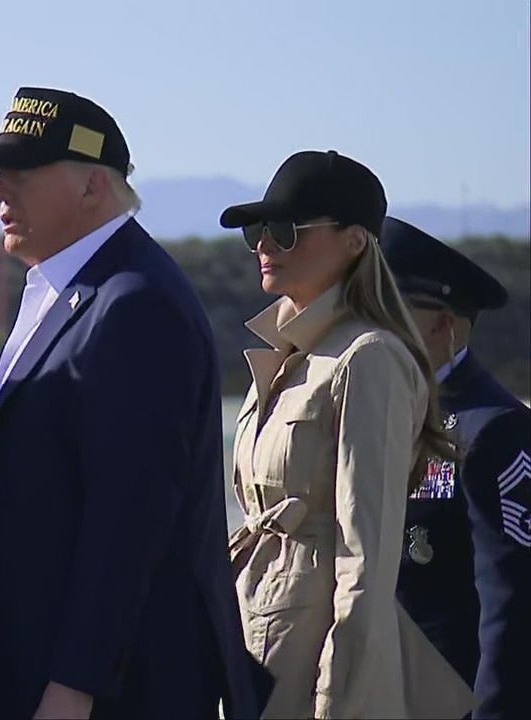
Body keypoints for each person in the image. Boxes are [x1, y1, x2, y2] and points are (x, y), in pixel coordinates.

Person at [0, 86, 265, 720]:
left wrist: (74, 685)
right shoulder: (69, 290)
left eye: (20, 172)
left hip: (117, 689)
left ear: (94, 186)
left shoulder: (134, 303)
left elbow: (131, 515)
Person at [220, 150, 475, 719]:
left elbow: (367, 557)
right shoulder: (287, 355)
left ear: (355, 241)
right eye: (257, 231)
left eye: (286, 230)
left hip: (313, 668)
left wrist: (338, 700)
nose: (264, 244)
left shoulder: (370, 359)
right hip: (254, 640)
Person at [381, 216, 530, 719]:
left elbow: (511, 604)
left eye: (389, 312)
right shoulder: (387, 409)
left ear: (443, 325)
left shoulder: (494, 429)